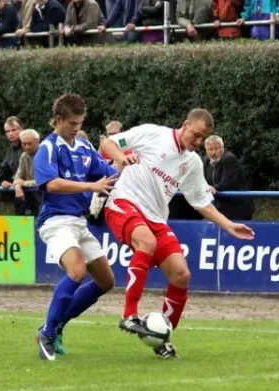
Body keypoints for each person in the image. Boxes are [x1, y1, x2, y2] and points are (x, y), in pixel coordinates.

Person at [99, 108, 255, 359]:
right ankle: (129, 315)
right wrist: (121, 157)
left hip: (156, 218)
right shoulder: (152, 133)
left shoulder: (192, 163)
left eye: (203, 138)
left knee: (181, 275)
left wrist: (228, 225)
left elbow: (200, 201)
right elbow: (107, 143)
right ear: (184, 125)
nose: (198, 142)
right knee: (146, 242)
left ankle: (162, 338)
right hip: (124, 203)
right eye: (196, 134)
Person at [34, 93, 119, 361]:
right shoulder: (47, 148)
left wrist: (131, 164)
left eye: (80, 123)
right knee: (77, 270)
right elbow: (51, 184)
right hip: (56, 221)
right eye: (72, 123)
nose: (77, 128)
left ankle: (56, 325)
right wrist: (91, 186)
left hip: (78, 222)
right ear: (58, 120)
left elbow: (108, 174)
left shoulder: (84, 148)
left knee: (106, 281)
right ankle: (46, 333)